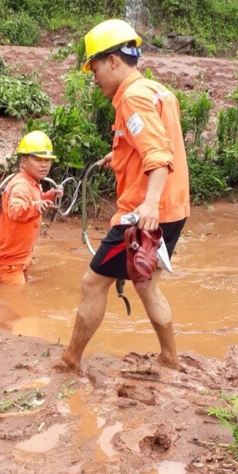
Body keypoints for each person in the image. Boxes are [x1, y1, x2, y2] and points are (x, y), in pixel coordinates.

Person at [58, 19, 190, 374]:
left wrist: (147, 205)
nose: (94, 76)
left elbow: (158, 156)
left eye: (95, 67)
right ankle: (170, 358)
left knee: (92, 283)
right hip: (174, 209)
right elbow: (157, 141)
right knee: (147, 286)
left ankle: (70, 360)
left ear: (114, 60)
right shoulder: (156, 91)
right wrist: (116, 156)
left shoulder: (131, 98)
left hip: (144, 213)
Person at [0, 131, 63, 285]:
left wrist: (48, 197)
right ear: (24, 161)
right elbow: (16, 210)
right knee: (17, 298)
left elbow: (33, 201)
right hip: (7, 261)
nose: (44, 164)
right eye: (38, 159)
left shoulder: (32, 182)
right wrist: (36, 206)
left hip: (17, 256)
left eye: (47, 160)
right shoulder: (21, 185)